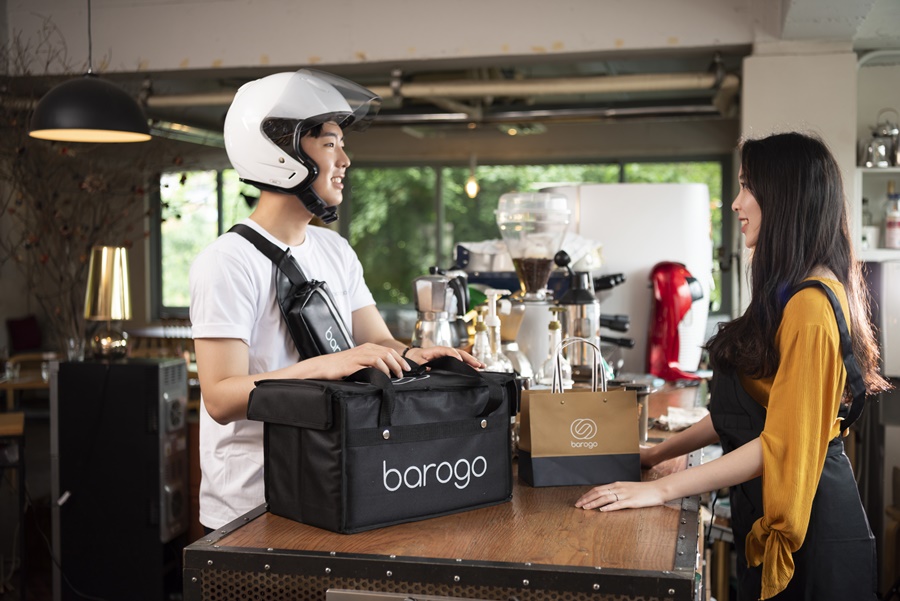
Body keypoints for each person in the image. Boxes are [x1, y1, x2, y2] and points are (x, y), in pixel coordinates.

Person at [575, 132, 890, 600]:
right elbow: (746, 413)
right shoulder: (791, 290)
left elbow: (779, 444)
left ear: (784, 198)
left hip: (813, 532)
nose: (736, 203)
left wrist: (659, 490)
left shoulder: (811, 307)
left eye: (748, 188)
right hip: (773, 506)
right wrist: (655, 455)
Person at [189, 69, 481, 532]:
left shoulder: (334, 249)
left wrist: (413, 355)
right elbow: (221, 397)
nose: (345, 160)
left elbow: (377, 342)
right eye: (329, 144)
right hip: (253, 504)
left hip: (332, 484)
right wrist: (326, 367)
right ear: (279, 152)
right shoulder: (227, 261)